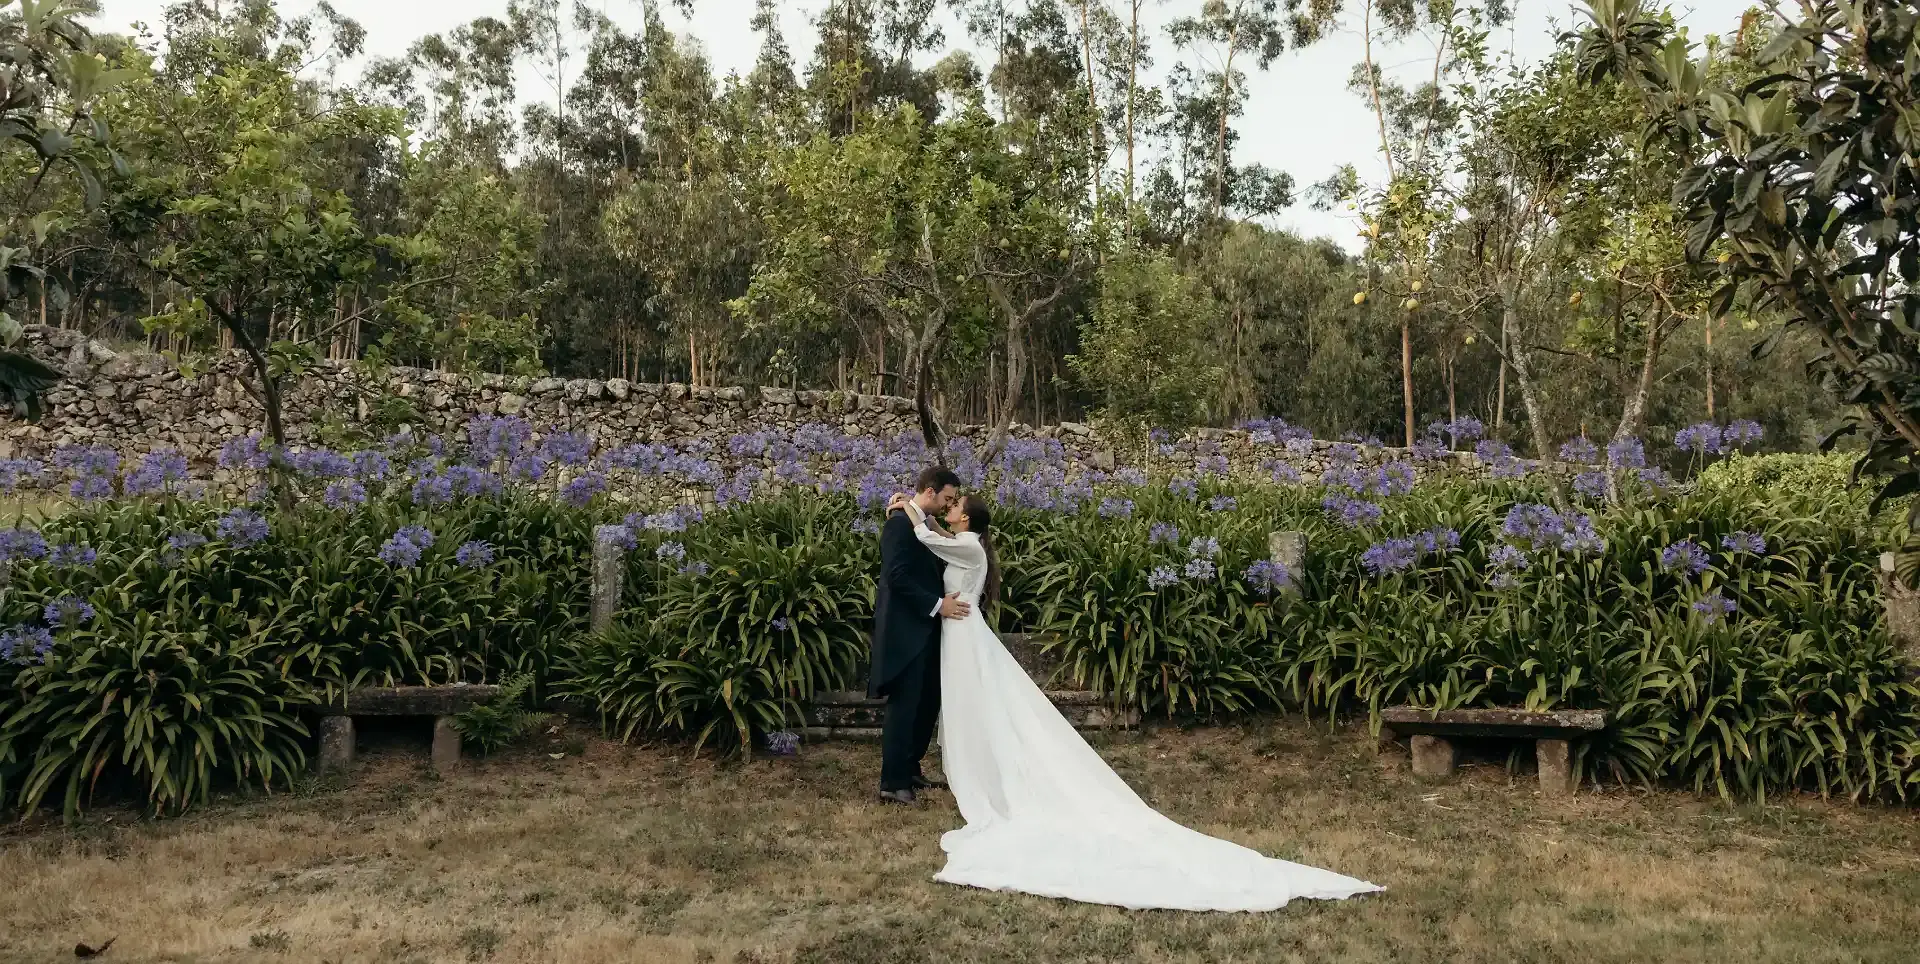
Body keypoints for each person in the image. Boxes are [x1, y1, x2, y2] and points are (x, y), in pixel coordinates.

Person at [884, 490, 1383, 912]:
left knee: (977, 704)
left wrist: (905, 507)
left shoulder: (967, 546)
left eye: (954, 507)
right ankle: (976, 768)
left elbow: (928, 538)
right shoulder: (968, 542)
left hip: (964, 634)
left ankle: (984, 776)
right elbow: (937, 537)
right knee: (972, 705)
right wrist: (921, 515)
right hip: (960, 632)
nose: (949, 509)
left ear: (966, 519)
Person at [869, 466, 969, 805]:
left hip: (927, 631)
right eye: (947, 498)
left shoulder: (920, 522)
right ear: (929, 491)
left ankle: (911, 768)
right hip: (905, 631)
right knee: (905, 706)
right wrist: (939, 605)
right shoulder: (898, 524)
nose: (949, 504)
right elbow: (896, 577)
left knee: (926, 704)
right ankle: (892, 782)